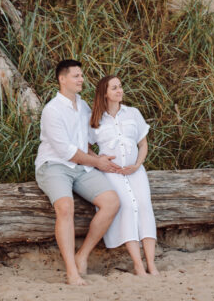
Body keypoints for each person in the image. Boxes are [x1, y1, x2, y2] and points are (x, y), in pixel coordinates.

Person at [35, 59, 122, 286]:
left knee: (112, 202)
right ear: (62, 79)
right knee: (65, 207)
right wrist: (97, 163)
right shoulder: (51, 110)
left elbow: (88, 141)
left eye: (81, 75)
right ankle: (71, 272)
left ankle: (82, 255)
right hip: (54, 165)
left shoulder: (83, 106)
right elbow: (66, 151)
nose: (81, 79)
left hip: (82, 166)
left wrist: (100, 158)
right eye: (76, 76)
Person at [89, 75, 159, 276]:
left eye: (120, 86)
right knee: (127, 207)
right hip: (112, 173)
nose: (119, 91)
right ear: (104, 93)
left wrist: (137, 165)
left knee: (144, 207)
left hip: (135, 171)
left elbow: (143, 144)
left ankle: (152, 264)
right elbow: (85, 146)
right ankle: (138, 264)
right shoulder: (96, 119)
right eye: (114, 88)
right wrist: (99, 160)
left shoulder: (133, 113)